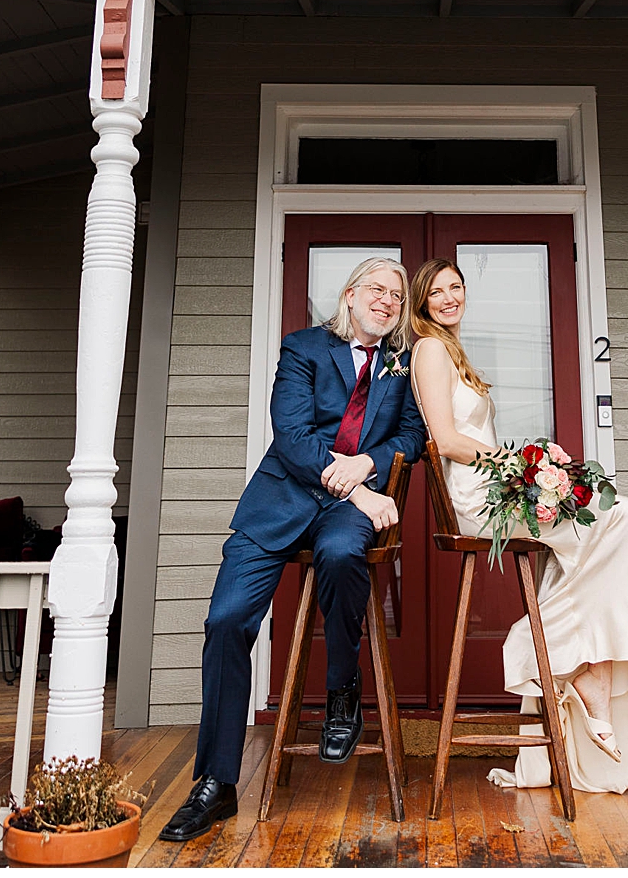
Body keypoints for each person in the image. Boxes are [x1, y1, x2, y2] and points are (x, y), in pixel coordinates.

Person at [160, 257, 427, 842]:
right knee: (226, 620)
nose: (388, 301)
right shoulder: (304, 347)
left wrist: (369, 462)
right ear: (351, 296)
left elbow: (413, 436)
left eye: (398, 296)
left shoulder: (404, 365)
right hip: (281, 502)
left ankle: (341, 691)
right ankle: (216, 783)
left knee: (339, 555)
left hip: (342, 517)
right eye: (377, 290)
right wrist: (359, 488)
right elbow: (292, 436)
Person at [408, 257, 628, 793]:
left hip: (493, 485)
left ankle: (571, 668)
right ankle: (573, 668)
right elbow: (446, 439)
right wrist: (520, 466)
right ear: (423, 303)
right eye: (436, 292)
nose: (448, 298)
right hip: (475, 497)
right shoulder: (430, 348)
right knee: (621, 516)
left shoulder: (454, 351)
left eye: (455, 287)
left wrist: (527, 466)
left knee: (602, 534)